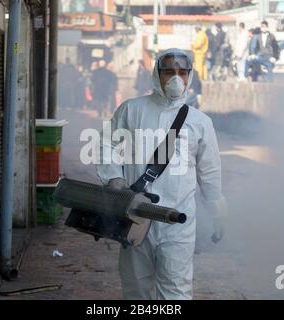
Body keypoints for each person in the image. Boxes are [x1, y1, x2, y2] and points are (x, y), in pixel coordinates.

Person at [95, 48, 227, 300]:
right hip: (134, 217)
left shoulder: (200, 122)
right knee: (136, 289)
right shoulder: (132, 110)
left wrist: (216, 208)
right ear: (157, 74)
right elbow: (104, 144)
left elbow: (209, 171)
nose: (176, 78)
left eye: (183, 72)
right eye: (169, 71)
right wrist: (114, 177)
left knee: (176, 291)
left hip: (177, 222)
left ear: (190, 76)